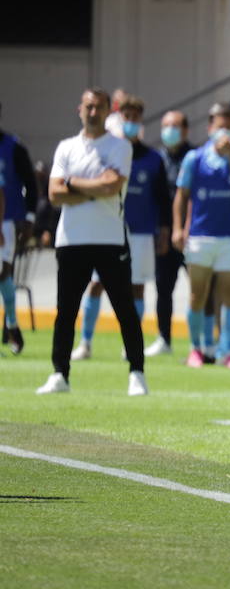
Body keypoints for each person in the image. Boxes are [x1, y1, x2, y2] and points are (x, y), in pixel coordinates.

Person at [36, 89, 147, 397]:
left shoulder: (119, 146)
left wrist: (72, 183)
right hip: (71, 240)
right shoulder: (66, 147)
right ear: (80, 109)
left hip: (110, 239)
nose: (93, 112)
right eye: (88, 106)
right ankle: (60, 373)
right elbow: (54, 194)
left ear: (106, 110)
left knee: (124, 307)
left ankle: (136, 372)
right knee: (66, 310)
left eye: (98, 107)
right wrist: (91, 189)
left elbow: (111, 186)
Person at [72, 97, 170, 361]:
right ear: (118, 116)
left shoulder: (153, 159)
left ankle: (131, 345)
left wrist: (164, 231)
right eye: (126, 116)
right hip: (107, 229)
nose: (131, 122)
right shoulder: (108, 152)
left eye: (136, 118)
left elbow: (162, 198)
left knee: (137, 287)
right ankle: (85, 343)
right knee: (96, 284)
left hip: (141, 232)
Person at [173, 102, 230, 367]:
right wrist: (178, 228)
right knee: (198, 294)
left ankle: (228, 351)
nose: (225, 132)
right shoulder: (194, 158)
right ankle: (199, 347)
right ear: (210, 128)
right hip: (200, 235)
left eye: (229, 127)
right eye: (220, 127)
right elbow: (181, 195)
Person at [151, 109, 191, 356]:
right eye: (166, 125)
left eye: (175, 126)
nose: (170, 131)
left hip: (192, 234)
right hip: (164, 235)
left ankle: (202, 342)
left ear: (185, 130)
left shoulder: (195, 156)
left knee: (200, 291)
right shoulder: (157, 160)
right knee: (163, 288)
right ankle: (164, 338)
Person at [0, 101, 38, 356]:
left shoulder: (14, 147)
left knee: (3, 273)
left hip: (6, 221)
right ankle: (12, 325)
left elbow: (30, 183)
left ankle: (11, 323)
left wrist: (29, 217)